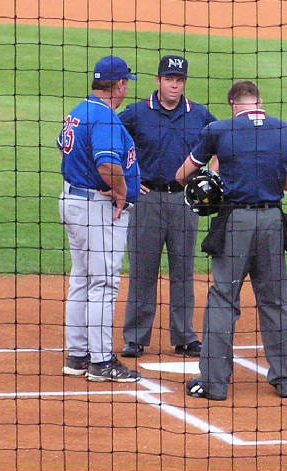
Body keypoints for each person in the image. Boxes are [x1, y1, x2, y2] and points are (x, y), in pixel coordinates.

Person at [175, 80, 287, 400]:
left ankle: (214, 383)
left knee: (223, 299)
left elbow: (183, 174)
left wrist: (216, 171)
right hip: (273, 221)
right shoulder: (286, 131)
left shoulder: (220, 130)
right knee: (276, 300)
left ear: (234, 103)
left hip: (236, 223)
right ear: (259, 101)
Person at [118, 55, 217, 358]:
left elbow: (223, 143)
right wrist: (129, 178)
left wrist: (209, 176)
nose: (174, 85)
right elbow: (110, 141)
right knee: (142, 270)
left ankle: (184, 336)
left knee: (183, 271)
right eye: (169, 79)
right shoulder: (135, 113)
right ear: (158, 80)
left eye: (180, 80)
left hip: (184, 201)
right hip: (146, 201)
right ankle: (135, 338)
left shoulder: (199, 115)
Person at [58, 55, 141, 382]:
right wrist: (121, 191)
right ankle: (102, 361)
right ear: (119, 84)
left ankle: (77, 355)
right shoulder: (105, 118)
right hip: (96, 208)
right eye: (125, 85)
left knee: (81, 279)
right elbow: (107, 166)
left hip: (74, 201)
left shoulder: (79, 111)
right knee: (103, 282)